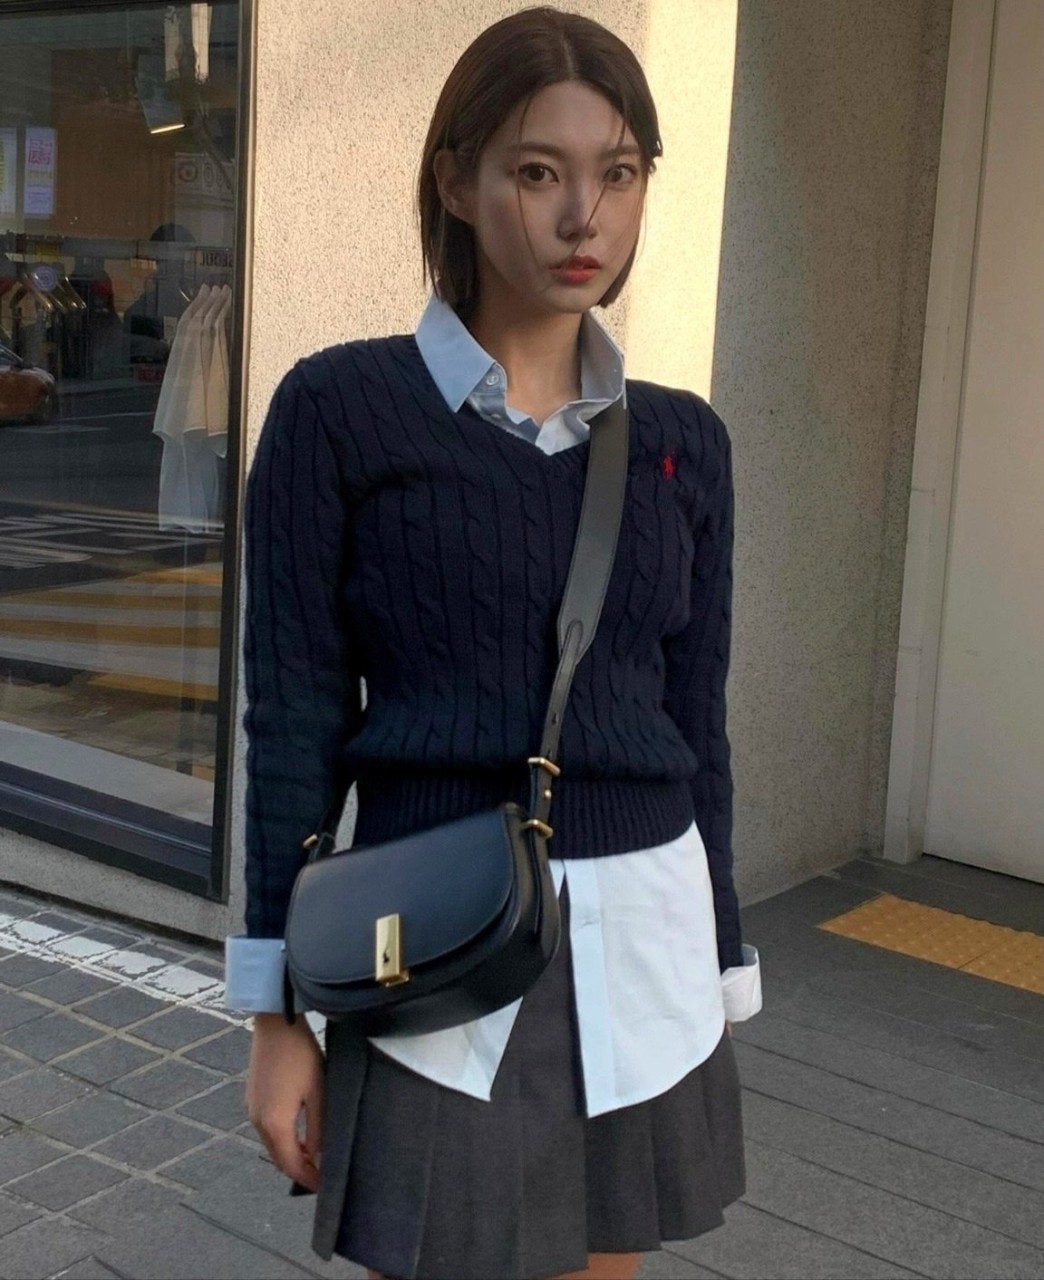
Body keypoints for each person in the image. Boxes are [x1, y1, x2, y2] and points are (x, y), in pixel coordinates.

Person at [224, 8, 761, 1279]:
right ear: (456, 183)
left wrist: (721, 947)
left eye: (617, 173)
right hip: (432, 938)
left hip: (643, 939)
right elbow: (294, 717)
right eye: (537, 170)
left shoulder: (684, 443)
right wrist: (276, 1009)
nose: (584, 217)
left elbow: (697, 722)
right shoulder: (340, 410)